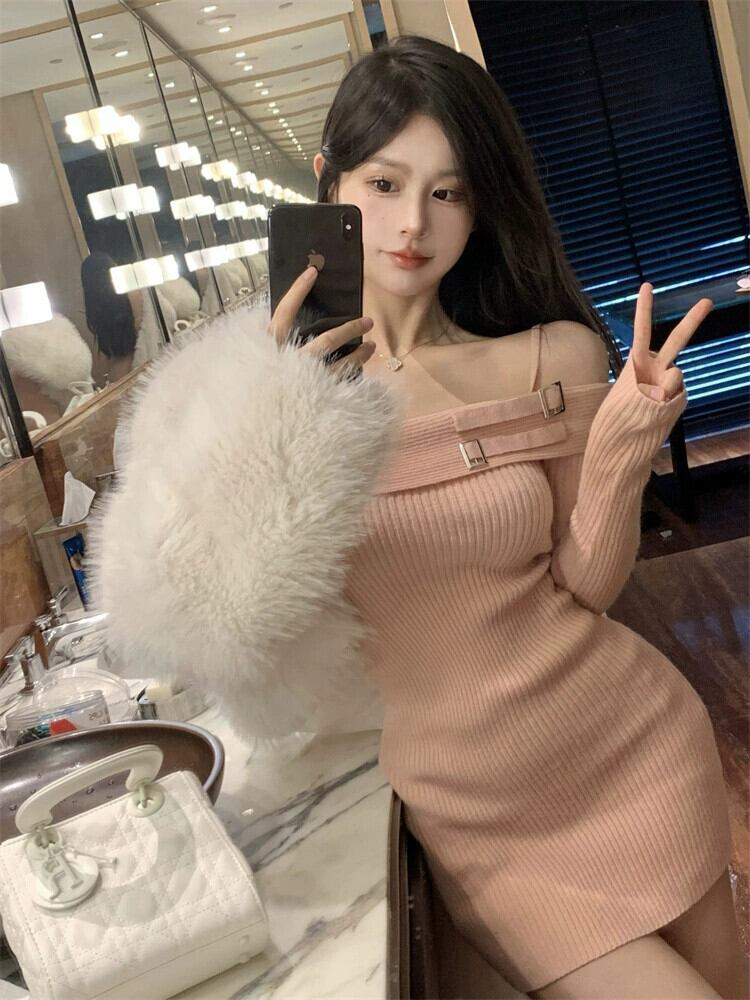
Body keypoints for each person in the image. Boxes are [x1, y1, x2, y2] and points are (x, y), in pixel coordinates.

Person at [93, 35, 746, 1000]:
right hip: (482, 820)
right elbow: (213, 630)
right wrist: (272, 415)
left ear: (481, 205)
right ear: (328, 183)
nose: (412, 224)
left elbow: (585, 588)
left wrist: (623, 442)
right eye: (384, 183)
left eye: (448, 192)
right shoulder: (252, 395)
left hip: (635, 747)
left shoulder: (553, 353)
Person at [81, 252, 175, 385]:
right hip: (145, 367)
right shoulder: (135, 294)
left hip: (118, 376)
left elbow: (109, 355)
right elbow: (167, 318)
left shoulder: (96, 309)